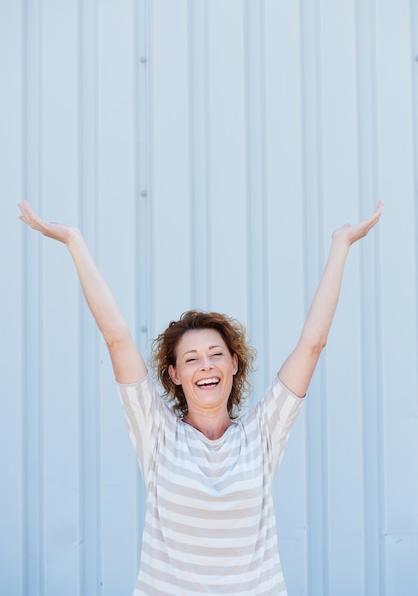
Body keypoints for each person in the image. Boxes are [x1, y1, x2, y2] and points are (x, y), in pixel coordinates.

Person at [18, 199, 384, 595]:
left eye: (215, 355)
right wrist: (74, 241)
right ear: (174, 375)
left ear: (234, 365)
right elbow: (116, 337)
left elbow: (313, 343)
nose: (205, 365)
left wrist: (340, 245)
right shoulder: (157, 434)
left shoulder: (262, 433)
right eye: (191, 359)